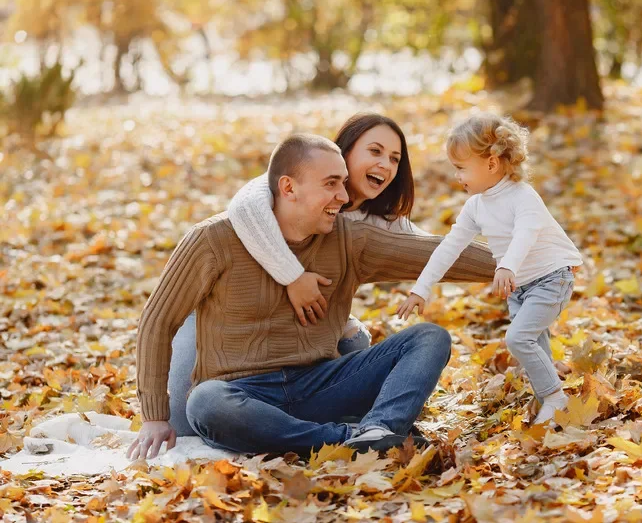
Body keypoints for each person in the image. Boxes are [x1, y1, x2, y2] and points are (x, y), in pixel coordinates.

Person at [128, 134, 495, 460]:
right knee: (205, 402)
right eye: (332, 184)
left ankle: (380, 430)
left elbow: (436, 253)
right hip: (242, 391)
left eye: (343, 183)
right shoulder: (213, 240)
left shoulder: (350, 239)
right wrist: (155, 417)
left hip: (322, 382)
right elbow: (157, 321)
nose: (345, 196)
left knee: (429, 337)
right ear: (289, 188)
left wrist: (526, 263)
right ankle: (350, 439)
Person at [166, 113, 429, 437]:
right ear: (343, 152)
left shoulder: (384, 223)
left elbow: (433, 250)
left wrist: (507, 261)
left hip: (304, 338)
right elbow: (243, 208)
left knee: (355, 338)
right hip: (228, 324)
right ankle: (295, 424)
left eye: (394, 158)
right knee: (181, 424)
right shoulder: (298, 183)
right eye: (374, 152)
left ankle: (368, 430)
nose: (385, 165)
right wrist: (292, 276)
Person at [397, 113, 583, 425]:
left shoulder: (523, 196)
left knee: (519, 338)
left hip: (552, 276)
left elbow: (527, 232)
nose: (457, 176)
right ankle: (550, 407)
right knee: (534, 341)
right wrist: (421, 288)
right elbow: (450, 246)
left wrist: (506, 265)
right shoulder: (476, 206)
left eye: (461, 168)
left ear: (492, 164)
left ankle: (554, 398)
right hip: (520, 287)